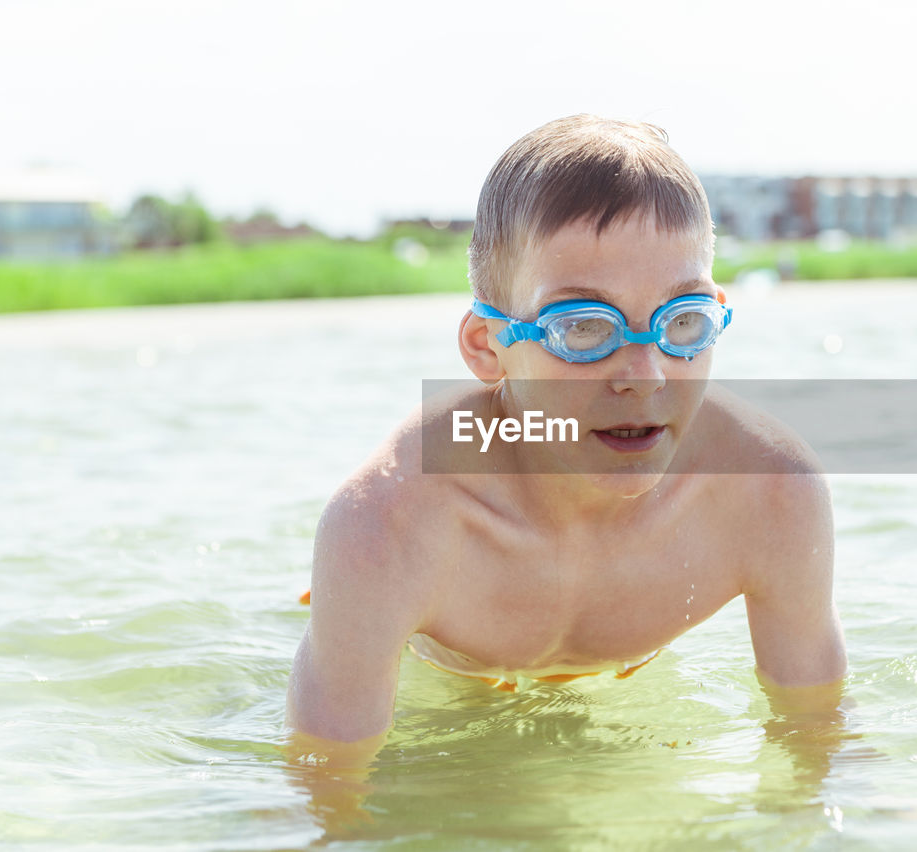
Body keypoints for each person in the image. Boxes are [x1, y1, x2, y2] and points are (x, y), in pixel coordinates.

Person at [286, 115, 846, 746]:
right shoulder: (389, 528)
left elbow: (819, 737)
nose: (645, 375)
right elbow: (323, 785)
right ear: (488, 346)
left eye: (683, 322)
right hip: (449, 684)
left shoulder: (771, 494)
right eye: (583, 328)